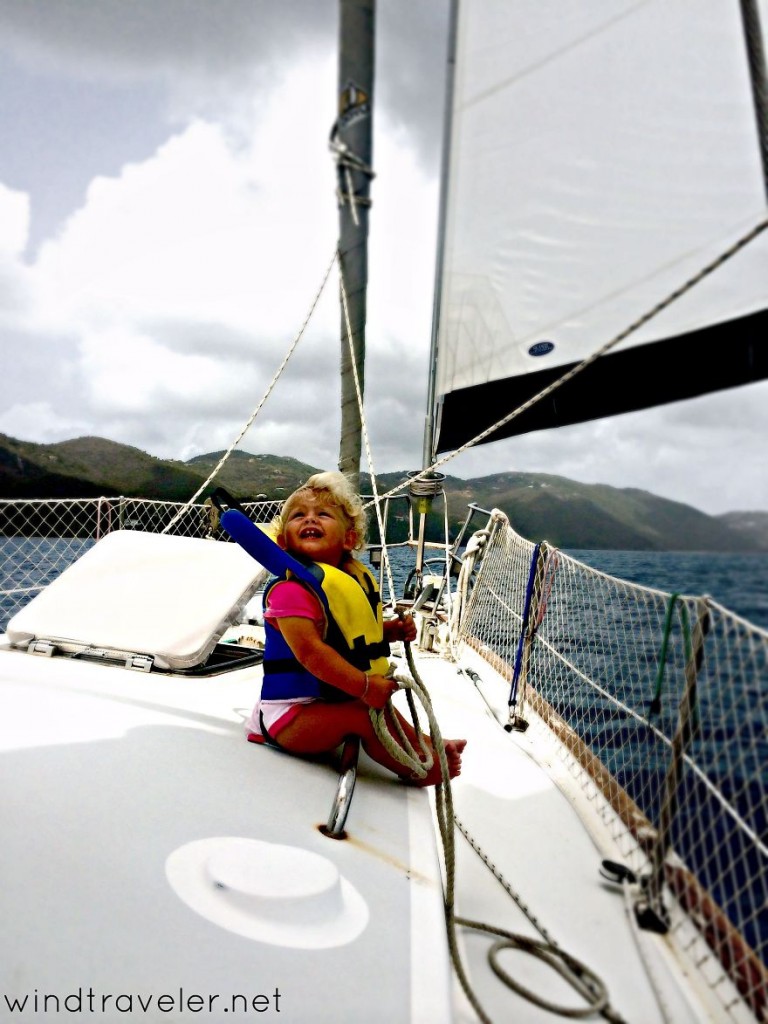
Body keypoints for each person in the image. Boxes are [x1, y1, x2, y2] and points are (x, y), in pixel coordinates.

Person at [245, 471, 465, 786]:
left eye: (323, 514)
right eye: (298, 516)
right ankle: (417, 768)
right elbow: (311, 653)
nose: (310, 519)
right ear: (283, 542)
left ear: (348, 538)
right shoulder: (290, 592)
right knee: (362, 712)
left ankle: (425, 745)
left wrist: (389, 631)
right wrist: (363, 686)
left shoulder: (347, 584)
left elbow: (349, 639)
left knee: (378, 705)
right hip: (288, 717)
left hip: (322, 702)